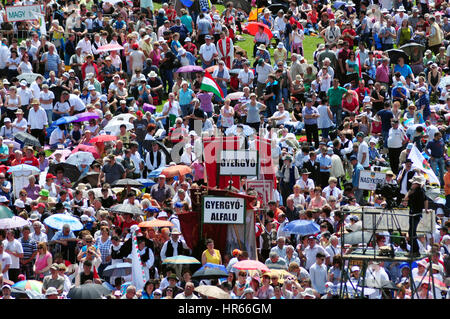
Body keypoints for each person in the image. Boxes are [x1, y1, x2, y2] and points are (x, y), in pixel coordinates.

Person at [402, 176, 428, 258]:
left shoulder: (419, 191)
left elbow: (406, 198)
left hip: (415, 214)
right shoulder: (418, 191)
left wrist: (425, 209)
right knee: (411, 232)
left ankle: (415, 251)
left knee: (412, 232)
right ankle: (414, 250)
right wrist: (426, 209)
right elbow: (405, 199)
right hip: (413, 213)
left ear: (416, 184)